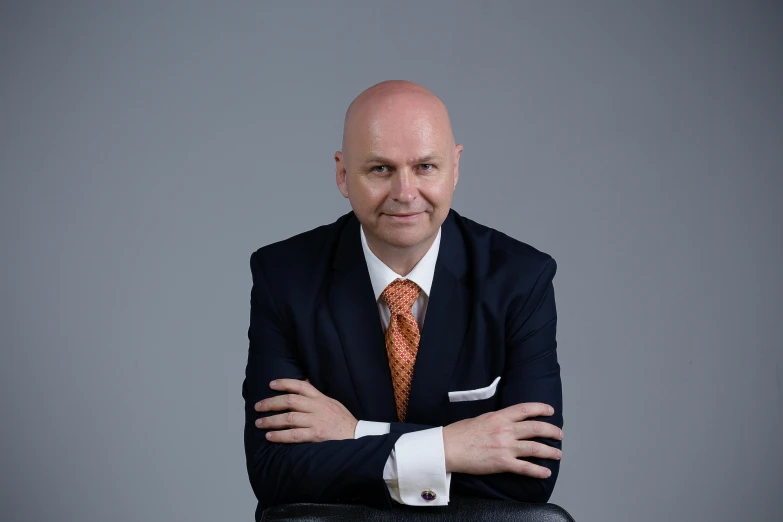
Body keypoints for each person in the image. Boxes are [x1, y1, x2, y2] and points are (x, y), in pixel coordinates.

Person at [242, 80, 564, 519]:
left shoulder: (521, 279)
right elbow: (275, 471)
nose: (405, 192)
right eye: (380, 169)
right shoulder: (284, 277)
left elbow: (532, 472)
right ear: (342, 174)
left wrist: (355, 433)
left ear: (455, 167)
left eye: (426, 167)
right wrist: (454, 447)